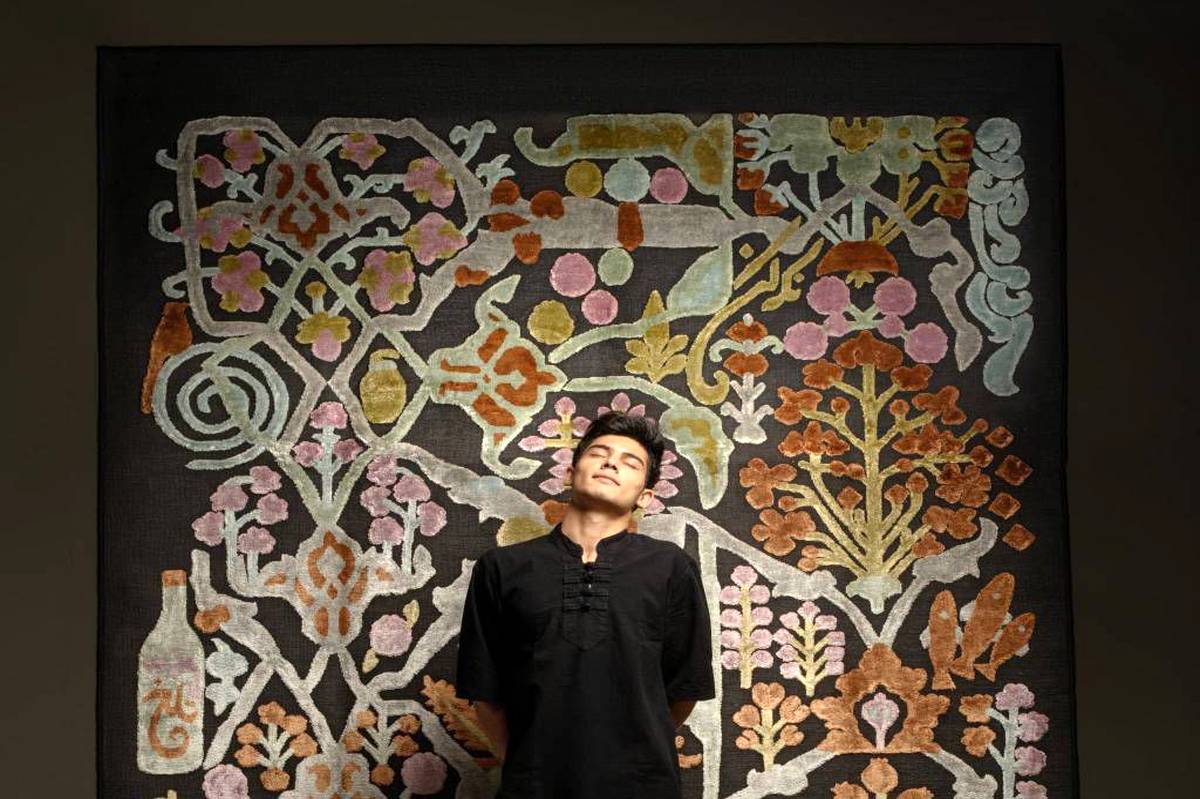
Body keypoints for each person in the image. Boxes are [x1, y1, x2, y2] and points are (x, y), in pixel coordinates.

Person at [455, 410, 715, 798]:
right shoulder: (501, 568)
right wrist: (529, 767)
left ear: (645, 496)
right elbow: (485, 690)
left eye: (631, 462)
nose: (611, 463)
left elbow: (684, 688)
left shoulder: (672, 568)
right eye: (598, 453)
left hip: (644, 788)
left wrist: (634, 753)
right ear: (570, 473)